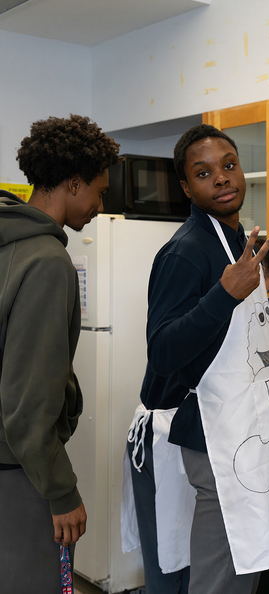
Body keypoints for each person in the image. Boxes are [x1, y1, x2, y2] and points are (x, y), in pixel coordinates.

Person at [122, 123, 269, 594]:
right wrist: (223, 293)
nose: (221, 178)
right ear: (186, 187)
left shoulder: (237, 240)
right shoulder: (185, 253)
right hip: (212, 437)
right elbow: (162, 352)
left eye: (228, 165)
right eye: (204, 173)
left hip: (244, 428)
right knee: (219, 578)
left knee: (241, 568)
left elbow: (252, 336)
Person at [0, 114, 120, 591]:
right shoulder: (48, 263)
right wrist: (62, 491)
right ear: (73, 183)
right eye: (99, 190)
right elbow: (29, 405)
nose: (99, 205)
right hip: (19, 473)